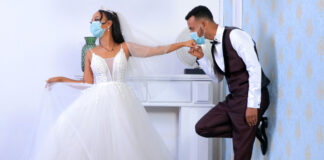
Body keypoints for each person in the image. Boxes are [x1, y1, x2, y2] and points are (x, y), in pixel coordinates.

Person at [35, 8, 195, 160]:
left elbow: (156, 50)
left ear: (109, 24)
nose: (93, 24)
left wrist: (182, 44)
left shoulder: (125, 48)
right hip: (96, 104)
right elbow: (87, 83)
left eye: (96, 20)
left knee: (125, 142)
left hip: (123, 103)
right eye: (91, 21)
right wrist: (61, 79)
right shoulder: (91, 53)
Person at [185, 5, 270, 160]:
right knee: (202, 127)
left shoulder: (235, 35)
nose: (191, 34)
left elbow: (254, 68)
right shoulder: (214, 48)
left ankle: (248, 128)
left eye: (192, 29)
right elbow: (218, 78)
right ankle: (252, 129)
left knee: (240, 156)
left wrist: (253, 105)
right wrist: (201, 58)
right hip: (234, 99)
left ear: (203, 24)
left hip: (250, 97)